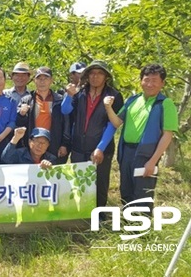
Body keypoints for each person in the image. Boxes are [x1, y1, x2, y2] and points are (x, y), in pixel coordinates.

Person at [93, 64, 178, 210]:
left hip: (146, 154)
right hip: (126, 152)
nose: (150, 84)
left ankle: (141, 229)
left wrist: (153, 161)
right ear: (141, 81)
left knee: (142, 195)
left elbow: (167, 135)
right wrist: (108, 107)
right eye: (146, 80)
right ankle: (128, 225)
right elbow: (117, 122)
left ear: (162, 83)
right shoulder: (132, 100)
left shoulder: (165, 103)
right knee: (126, 191)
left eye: (154, 80)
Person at [61, 60, 123, 208]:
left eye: (100, 73)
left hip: (101, 149)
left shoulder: (114, 96)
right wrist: (69, 96)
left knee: (100, 184)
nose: (95, 77)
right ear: (87, 76)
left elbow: (112, 124)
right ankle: (80, 216)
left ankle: (99, 218)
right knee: (78, 183)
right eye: (92, 73)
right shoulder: (80, 93)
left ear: (106, 77)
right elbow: (65, 110)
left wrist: (100, 147)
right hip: (78, 147)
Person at [16, 67, 70, 164]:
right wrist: (22, 114)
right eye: (39, 79)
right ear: (34, 81)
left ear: (51, 81)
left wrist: (64, 144)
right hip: (33, 145)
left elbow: (66, 124)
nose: (42, 81)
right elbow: (19, 124)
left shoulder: (60, 100)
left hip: (54, 144)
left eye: (45, 78)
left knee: (53, 175)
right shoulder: (27, 100)